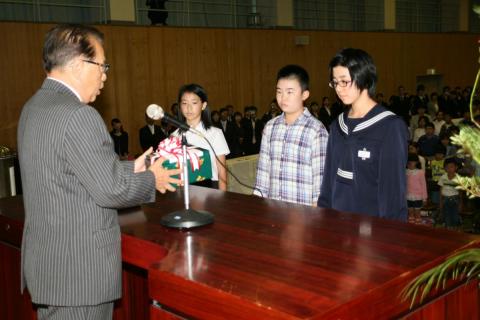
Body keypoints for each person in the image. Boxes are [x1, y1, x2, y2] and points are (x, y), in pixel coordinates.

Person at [16, 24, 181, 319]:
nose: (105, 75)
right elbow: (110, 190)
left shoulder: (34, 106)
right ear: (80, 64)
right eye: (102, 66)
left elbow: (73, 173)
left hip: (51, 267)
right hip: (79, 273)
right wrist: (152, 177)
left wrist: (133, 167)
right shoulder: (79, 114)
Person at [318, 48, 409, 221]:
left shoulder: (389, 126)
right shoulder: (337, 125)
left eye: (345, 81)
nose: (338, 88)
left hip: (372, 231)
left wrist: (392, 238)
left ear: (364, 79)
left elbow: (393, 194)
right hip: (337, 225)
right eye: (335, 82)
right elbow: (328, 184)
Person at [254, 64, 328, 206]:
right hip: (273, 214)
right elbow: (262, 177)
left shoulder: (316, 130)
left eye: (290, 92)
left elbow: (320, 187)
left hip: (304, 217)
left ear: (304, 95)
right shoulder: (270, 127)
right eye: (279, 92)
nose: (283, 98)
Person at [174, 83, 230, 191]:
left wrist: (223, 197)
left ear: (203, 105)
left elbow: (222, 170)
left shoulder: (215, 133)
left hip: (210, 188)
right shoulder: (175, 136)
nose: (189, 108)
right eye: (184, 103)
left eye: (194, 103)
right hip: (183, 189)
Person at [438, 158, 461, 228]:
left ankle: (455, 228)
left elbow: (460, 192)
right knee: (447, 216)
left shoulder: (458, 178)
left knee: (455, 217)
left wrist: (461, 204)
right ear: (445, 168)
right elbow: (441, 190)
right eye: (447, 167)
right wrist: (440, 202)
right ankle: (448, 229)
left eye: (451, 167)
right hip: (445, 199)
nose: (449, 169)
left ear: (456, 167)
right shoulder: (443, 177)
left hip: (455, 200)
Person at [406, 154, 427, 224]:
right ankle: (410, 228)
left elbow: (424, 185)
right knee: (410, 213)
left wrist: (424, 198)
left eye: (413, 161)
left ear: (416, 163)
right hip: (408, 196)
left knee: (417, 213)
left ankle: (418, 227)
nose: (411, 163)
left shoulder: (420, 172)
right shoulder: (405, 171)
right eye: (409, 161)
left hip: (418, 197)